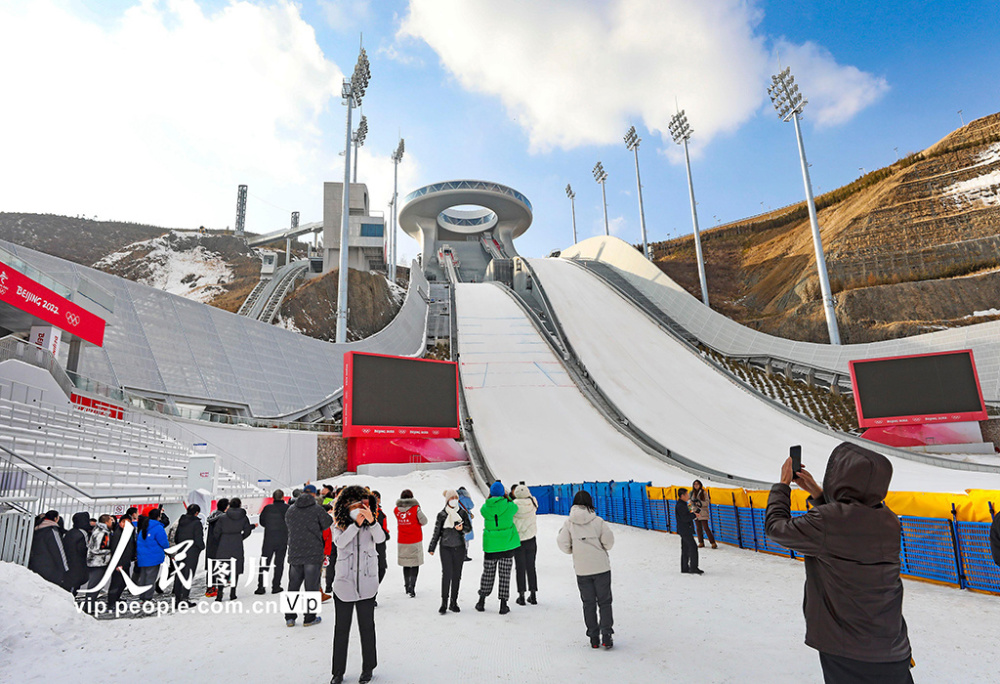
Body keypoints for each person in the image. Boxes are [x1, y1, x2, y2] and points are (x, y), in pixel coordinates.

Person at [766, 442, 913, 683]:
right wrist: (819, 494)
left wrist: (782, 487)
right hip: (892, 646)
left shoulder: (828, 521)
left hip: (848, 650)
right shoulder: (889, 520)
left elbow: (776, 528)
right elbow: (845, 527)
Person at [331, 485, 386, 684]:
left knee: (367, 627)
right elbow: (340, 543)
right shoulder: (338, 525)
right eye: (353, 505)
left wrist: (372, 522)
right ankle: (338, 672)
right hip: (344, 583)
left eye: (360, 505)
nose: (357, 509)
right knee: (341, 629)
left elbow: (380, 539)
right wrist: (354, 525)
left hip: (367, 583)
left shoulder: (371, 526)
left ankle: (368, 667)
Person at [558, 490, 616, 649]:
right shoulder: (598, 521)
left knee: (588, 603)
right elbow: (609, 542)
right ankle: (606, 635)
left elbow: (562, 543)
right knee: (604, 602)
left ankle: (593, 638)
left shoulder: (569, 524)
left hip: (582, 570)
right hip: (601, 568)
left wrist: (574, 550)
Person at [284, 483, 333, 627]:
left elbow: (288, 524)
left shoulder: (291, 510)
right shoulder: (317, 509)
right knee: (311, 586)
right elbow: (327, 523)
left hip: (295, 552)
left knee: (293, 585)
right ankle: (309, 617)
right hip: (313, 552)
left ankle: (290, 617)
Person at [476, 481, 520, 615]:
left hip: (491, 546)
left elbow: (483, 510)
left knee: (488, 574)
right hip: (507, 545)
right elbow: (515, 507)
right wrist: (507, 497)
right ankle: (503, 604)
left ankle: (481, 600)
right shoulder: (509, 506)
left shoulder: (485, 508)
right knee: (504, 575)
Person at [428, 489, 472, 614]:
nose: (454, 500)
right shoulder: (442, 514)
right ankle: (444, 602)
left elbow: (469, 528)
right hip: (445, 547)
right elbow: (437, 532)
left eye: (455, 497)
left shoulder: (462, 513)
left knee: (457, 575)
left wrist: (462, 528)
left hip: (459, 547)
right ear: (447, 500)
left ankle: (454, 602)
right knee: (447, 574)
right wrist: (432, 547)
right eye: (452, 497)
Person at [213, 497, 254, 601]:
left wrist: (221, 539)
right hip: (237, 543)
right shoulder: (243, 517)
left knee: (222, 567)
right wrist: (240, 538)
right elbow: (248, 530)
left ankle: (220, 593)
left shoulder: (222, 517)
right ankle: (233, 593)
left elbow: (216, 532)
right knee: (235, 568)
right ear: (240, 505)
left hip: (224, 543)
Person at [394, 489, 428, 597]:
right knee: (414, 564)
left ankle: (406, 586)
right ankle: (412, 587)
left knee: (406, 563)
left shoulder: (396, 510)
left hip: (402, 540)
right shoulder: (415, 509)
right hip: (414, 540)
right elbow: (424, 521)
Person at [257, 489, 289, 595]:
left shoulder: (267, 508)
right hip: (282, 539)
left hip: (269, 539)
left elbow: (262, 521)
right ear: (283, 497)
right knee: (279, 563)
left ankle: (261, 587)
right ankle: (276, 586)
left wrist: (270, 527)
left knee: (264, 563)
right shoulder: (287, 508)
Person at [512, 483, 539, 606]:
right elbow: (532, 499)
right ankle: (533, 594)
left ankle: (521, 595)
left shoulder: (513, 506)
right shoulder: (533, 503)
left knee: (520, 568)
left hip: (518, 541)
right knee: (531, 567)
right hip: (531, 539)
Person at [28, 510, 69, 591]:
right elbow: (59, 550)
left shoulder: (36, 529)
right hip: (50, 567)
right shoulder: (52, 530)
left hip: (34, 564)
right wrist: (65, 569)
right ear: (55, 519)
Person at [172, 504, 205, 606]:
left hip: (181, 550)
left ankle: (178, 597)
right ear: (196, 513)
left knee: (179, 573)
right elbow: (198, 538)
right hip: (192, 552)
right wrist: (201, 547)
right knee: (188, 574)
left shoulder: (181, 521)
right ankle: (184, 598)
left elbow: (176, 537)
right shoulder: (196, 523)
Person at [135, 508, 170, 601]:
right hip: (154, 557)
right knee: (151, 579)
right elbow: (164, 543)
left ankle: (142, 596)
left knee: (143, 577)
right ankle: (147, 598)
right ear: (158, 517)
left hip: (143, 557)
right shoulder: (158, 528)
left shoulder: (144, 526)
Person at [83, 514, 114, 611]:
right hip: (98, 562)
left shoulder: (99, 531)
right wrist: (110, 551)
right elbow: (96, 549)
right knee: (94, 586)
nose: (112, 522)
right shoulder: (102, 532)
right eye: (110, 520)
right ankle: (89, 606)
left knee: (95, 585)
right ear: (106, 522)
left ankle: (90, 605)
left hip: (96, 562)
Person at [107, 514, 137, 611]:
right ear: (120, 523)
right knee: (116, 583)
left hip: (125, 562)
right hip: (119, 563)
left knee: (123, 582)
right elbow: (115, 549)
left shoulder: (129, 532)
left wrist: (133, 556)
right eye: (124, 522)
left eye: (128, 522)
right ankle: (111, 603)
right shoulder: (118, 534)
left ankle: (116, 599)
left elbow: (131, 546)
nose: (126, 524)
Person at [204, 498, 229, 598]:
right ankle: (215, 588)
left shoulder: (213, 515)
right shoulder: (223, 518)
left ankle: (210, 588)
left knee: (211, 566)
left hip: (211, 544)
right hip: (220, 544)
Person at [63, 511, 92, 595]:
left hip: (69, 563)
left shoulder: (70, 532)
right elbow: (82, 550)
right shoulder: (82, 534)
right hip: (78, 564)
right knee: (74, 586)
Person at [676, 488, 702, 575]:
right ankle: (693, 567)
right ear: (682, 496)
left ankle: (685, 567)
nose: (688, 496)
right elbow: (685, 518)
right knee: (693, 547)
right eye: (686, 495)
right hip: (685, 530)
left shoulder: (685, 504)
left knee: (685, 549)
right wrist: (693, 515)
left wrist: (694, 513)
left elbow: (689, 513)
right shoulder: (680, 506)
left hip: (685, 529)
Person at [690, 480, 717, 549]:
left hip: (703, 512)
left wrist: (699, 503)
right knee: (698, 528)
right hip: (696, 512)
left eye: (697, 484)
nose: (696, 485)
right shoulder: (692, 493)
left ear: (700, 485)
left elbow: (707, 502)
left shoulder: (703, 492)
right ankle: (701, 542)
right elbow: (689, 502)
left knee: (706, 527)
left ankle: (713, 542)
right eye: (694, 484)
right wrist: (692, 505)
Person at [371, 491, 389, 585]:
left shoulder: (379, 512)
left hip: (380, 543)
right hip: (375, 544)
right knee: (379, 569)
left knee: (381, 569)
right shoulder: (374, 513)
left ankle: (372, 593)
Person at [457, 486, 475, 561]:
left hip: (458, 518)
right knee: (466, 537)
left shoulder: (455, 498)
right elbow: (472, 505)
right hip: (466, 518)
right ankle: (464, 554)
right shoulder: (466, 498)